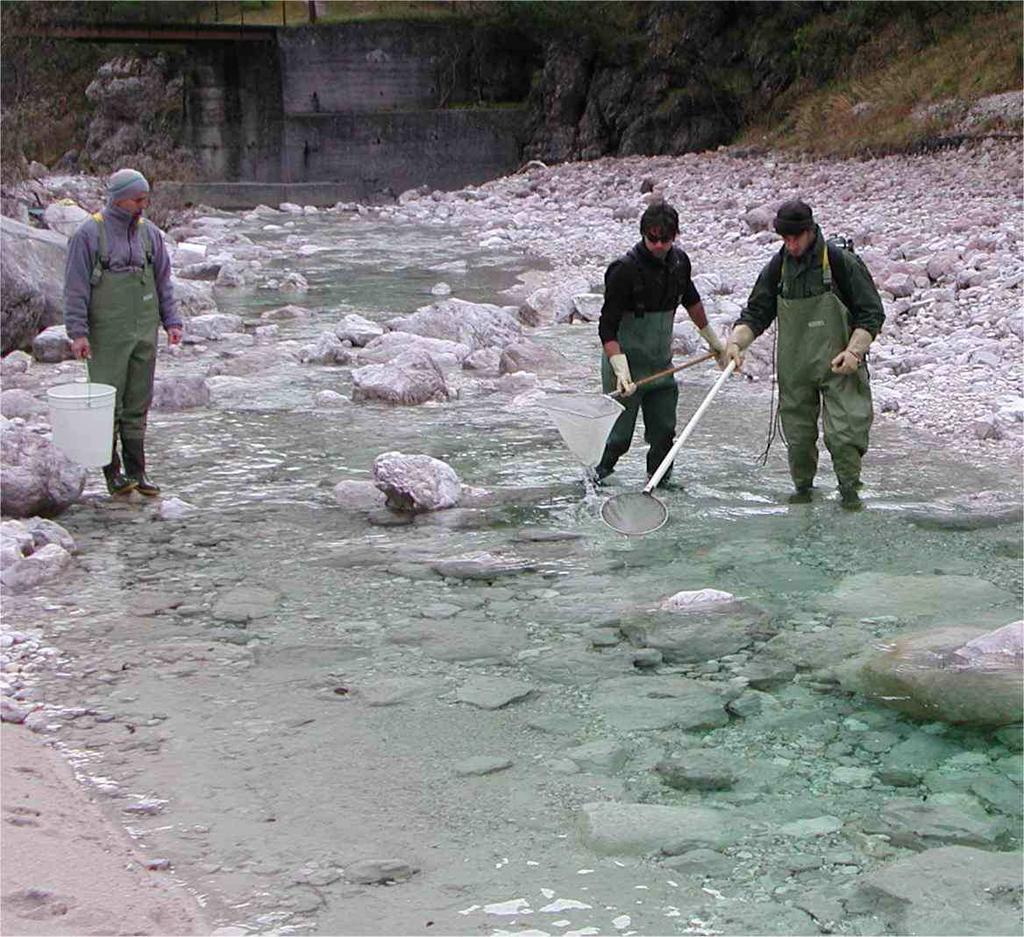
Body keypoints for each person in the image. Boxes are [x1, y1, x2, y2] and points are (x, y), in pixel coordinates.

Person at [722, 199, 885, 509]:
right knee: (797, 440)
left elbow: (872, 314)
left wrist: (854, 352)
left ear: (810, 231)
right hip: (795, 369)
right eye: (785, 238)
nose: (791, 244)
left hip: (841, 366)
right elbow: (756, 313)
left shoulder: (840, 262)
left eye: (796, 237)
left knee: (844, 436)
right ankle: (803, 497)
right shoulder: (778, 266)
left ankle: (850, 497)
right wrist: (735, 344)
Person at [64, 168, 182, 497]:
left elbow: (163, 283)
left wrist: (172, 322)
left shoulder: (151, 235)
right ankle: (112, 472)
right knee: (107, 404)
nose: (144, 205)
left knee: (137, 401)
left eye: (146, 198)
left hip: (145, 329)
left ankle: (138, 471)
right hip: (106, 333)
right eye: (138, 199)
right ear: (119, 199)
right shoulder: (88, 234)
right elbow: (74, 289)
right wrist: (78, 333)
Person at [596, 201, 726, 488]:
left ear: (675, 236)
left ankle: (659, 485)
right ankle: (595, 480)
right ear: (643, 234)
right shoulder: (623, 271)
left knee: (664, 433)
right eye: (651, 239)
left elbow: (692, 302)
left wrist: (716, 345)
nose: (657, 245)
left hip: (660, 368)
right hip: (625, 369)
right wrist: (620, 370)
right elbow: (606, 327)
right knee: (618, 438)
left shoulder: (680, 263)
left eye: (664, 239)